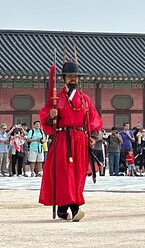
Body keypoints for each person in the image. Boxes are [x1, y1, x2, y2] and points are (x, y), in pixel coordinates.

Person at [38, 59, 103, 221]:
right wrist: (50, 117)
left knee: (78, 174)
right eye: (69, 76)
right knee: (64, 173)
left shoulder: (85, 100)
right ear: (63, 78)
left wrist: (93, 137)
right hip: (63, 140)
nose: (73, 79)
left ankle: (62, 207)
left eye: (75, 76)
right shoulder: (56, 98)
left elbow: (94, 120)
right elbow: (45, 115)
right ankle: (74, 208)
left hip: (81, 140)